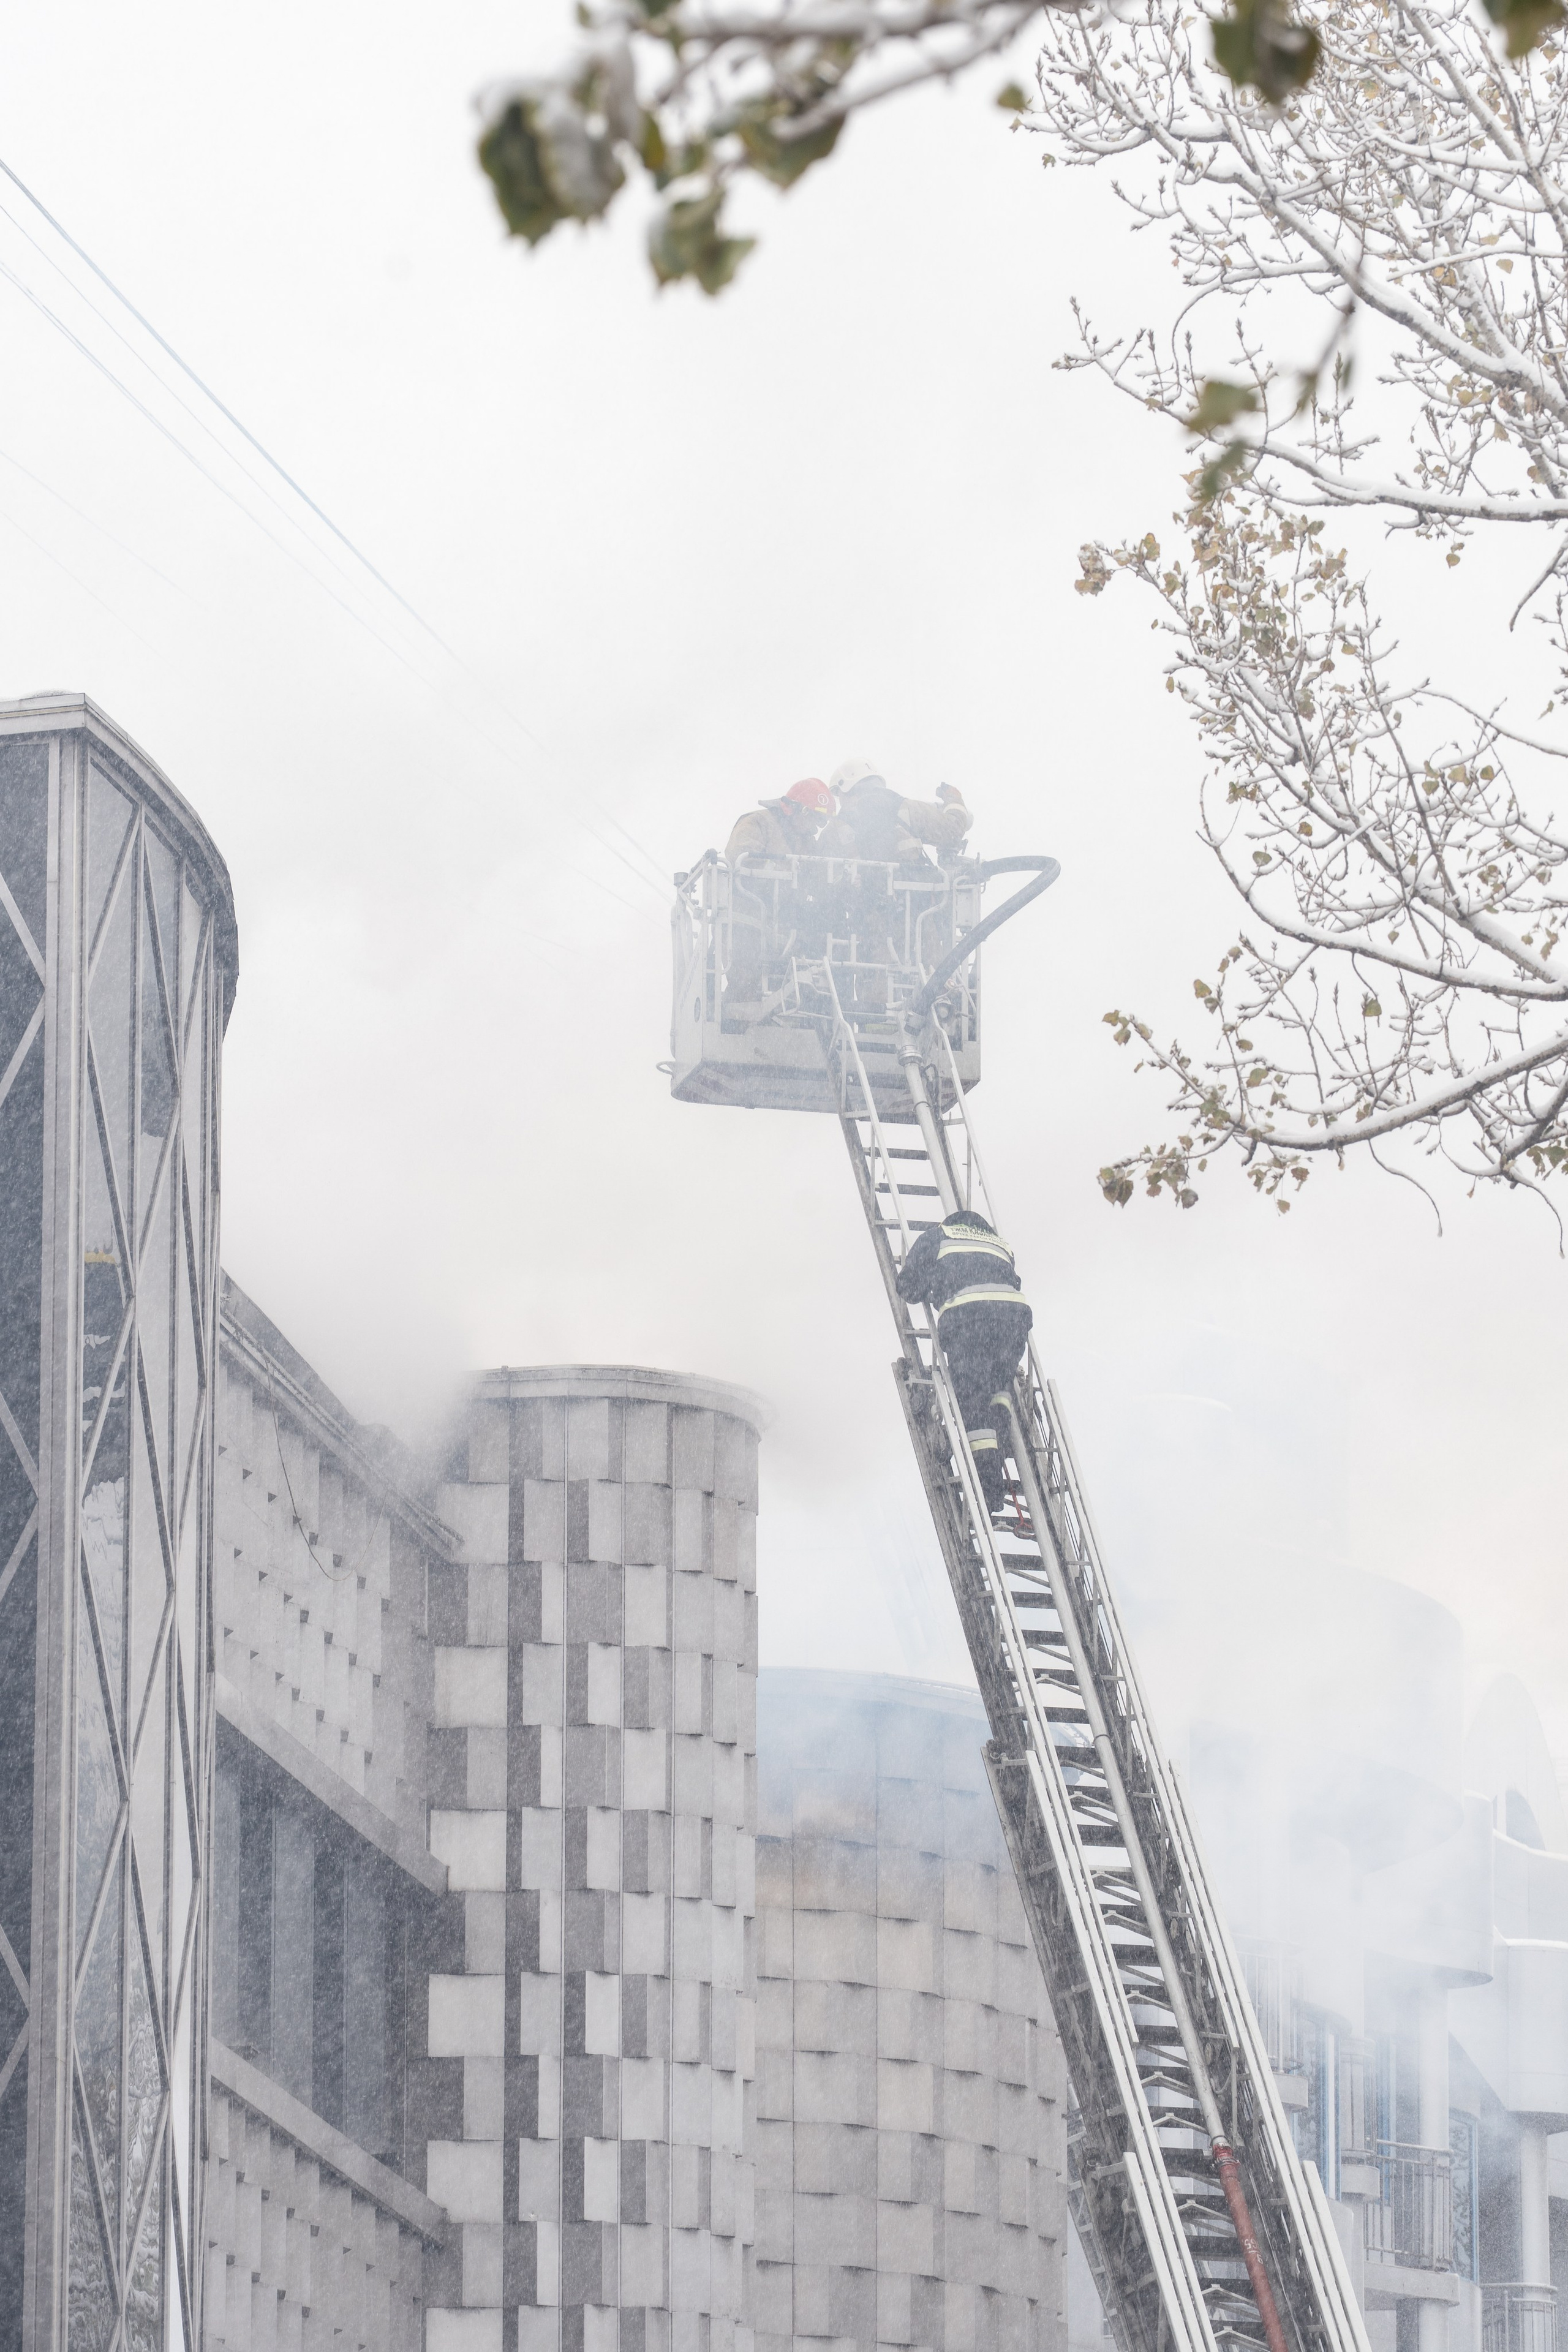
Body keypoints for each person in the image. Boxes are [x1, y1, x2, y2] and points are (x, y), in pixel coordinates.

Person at [895, 1207, 1033, 1520]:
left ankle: (989, 1490)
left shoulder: (937, 1237)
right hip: (1012, 1323)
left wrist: (933, 1288)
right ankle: (1002, 1437)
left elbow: (908, 1288)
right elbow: (1012, 1280)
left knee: (971, 1400)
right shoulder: (1000, 1243)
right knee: (998, 1385)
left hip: (971, 1323)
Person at [724, 778, 835, 1005]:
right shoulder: (756, 823)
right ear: (798, 810)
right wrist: (784, 875)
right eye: (816, 819)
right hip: (747, 917)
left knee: (789, 987)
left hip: (785, 923)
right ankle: (737, 1014)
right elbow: (742, 858)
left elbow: (817, 874)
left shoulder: (805, 840)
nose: (816, 828)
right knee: (746, 984)